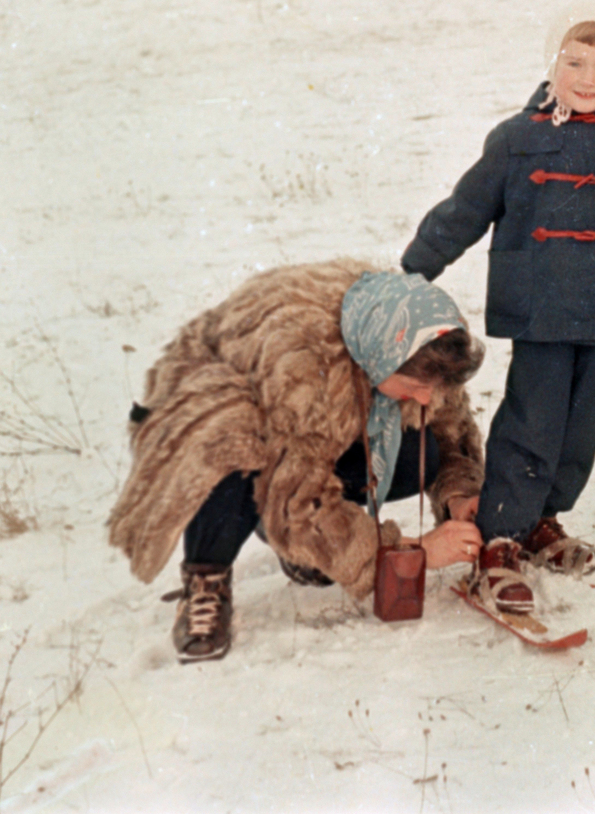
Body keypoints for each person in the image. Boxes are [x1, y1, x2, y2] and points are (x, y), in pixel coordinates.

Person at [401, 6, 595, 617]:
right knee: (530, 425)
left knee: (580, 431)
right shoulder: (519, 138)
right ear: (552, 62)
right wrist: (411, 273)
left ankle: (542, 518)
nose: (587, 77)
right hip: (541, 310)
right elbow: (465, 209)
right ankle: (499, 542)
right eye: (574, 61)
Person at [107, 262, 487, 663]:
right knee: (240, 457)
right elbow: (293, 496)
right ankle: (206, 579)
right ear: (381, 358)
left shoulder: (416, 336)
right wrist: (411, 549)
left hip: (310, 432)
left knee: (418, 449)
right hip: (222, 421)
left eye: (434, 387)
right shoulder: (304, 364)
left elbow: (451, 432)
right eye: (413, 386)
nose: (427, 398)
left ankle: (308, 552)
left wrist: (459, 495)